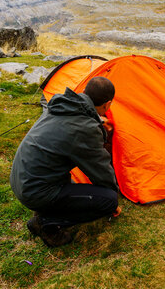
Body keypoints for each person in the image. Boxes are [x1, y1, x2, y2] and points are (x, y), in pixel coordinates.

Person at [10, 76, 119, 247]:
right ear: (107, 104)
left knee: (74, 188)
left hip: (21, 178)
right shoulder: (85, 128)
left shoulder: (62, 106)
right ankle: (46, 223)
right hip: (35, 190)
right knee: (108, 199)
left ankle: (45, 208)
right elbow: (101, 171)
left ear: (84, 93)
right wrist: (113, 200)